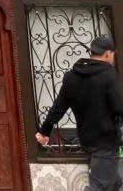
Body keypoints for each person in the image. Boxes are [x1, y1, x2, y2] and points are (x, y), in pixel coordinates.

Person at [36, 35, 123, 191]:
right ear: (108, 54)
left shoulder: (72, 77)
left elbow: (59, 107)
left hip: (86, 140)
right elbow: (119, 107)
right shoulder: (108, 75)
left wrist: (45, 131)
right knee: (100, 185)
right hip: (105, 141)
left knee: (114, 182)